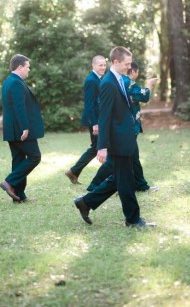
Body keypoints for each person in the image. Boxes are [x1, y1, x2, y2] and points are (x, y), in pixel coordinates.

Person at [74, 46, 155, 228]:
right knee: (125, 179)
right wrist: (102, 146)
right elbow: (104, 116)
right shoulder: (108, 83)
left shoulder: (122, 79)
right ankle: (133, 219)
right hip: (117, 140)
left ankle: (86, 202)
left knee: (120, 178)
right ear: (116, 62)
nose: (129, 67)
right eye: (126, 64)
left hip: (125, 137)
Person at [85, 61, 158, 193]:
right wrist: (149, 84)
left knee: (133, 158)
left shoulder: (118, 80)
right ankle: (94, 187)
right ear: (133, 71)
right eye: (127, 64)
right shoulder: (124, 81)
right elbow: (144, 95)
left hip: (127, 128)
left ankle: (141, 185)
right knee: (113, 162)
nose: (128, 67)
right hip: (124, 129)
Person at [0, 54, 45, 203]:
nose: (28, 70)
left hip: (12, 129)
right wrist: (25, 127)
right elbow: (19, 107)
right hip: (20, 129)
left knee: (18, 160)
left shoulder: (9, 81)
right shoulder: (16, 83)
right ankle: (9, 182)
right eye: (27, 67)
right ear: (20, 67)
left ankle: (19, 195)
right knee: (35, 156)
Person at [65, 55, 106, 184]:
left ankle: (74, 171)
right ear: (93, 65)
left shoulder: (98, 79)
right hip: (94, 121)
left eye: (104, 65)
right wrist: (94, 123)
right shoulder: (91, 80)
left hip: (99, 120)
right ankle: (106, 179)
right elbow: (89, 104)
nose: (103, 67)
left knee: (96, 148)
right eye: (100, 65)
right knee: (99, 147)